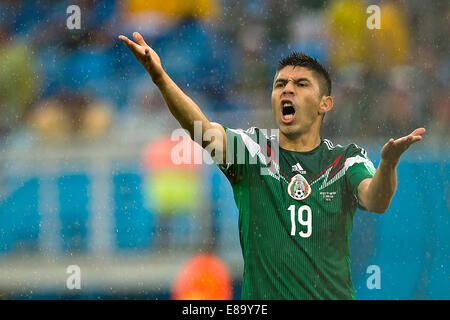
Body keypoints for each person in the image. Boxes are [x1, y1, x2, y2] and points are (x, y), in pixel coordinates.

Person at [118, 32, 426, 300]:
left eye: (301, 84)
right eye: (280, 84)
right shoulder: (252, 151)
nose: (287, 89)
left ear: (325, 104)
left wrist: (387, 164)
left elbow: (377, 200)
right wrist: (160, 78)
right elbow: (200, 128)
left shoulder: (346, 160)